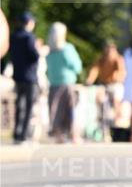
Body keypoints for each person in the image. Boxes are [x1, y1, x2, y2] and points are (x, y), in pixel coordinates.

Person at [45, 22, 82, 142]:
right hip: (67, 84)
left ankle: (58, 134)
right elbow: (77, 66)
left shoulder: (49, 50)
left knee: (56, 111)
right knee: (70, 110)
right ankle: (73, 135)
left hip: (53, 84)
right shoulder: (67, 48)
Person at [9, 11, 40, 144]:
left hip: (18, 76)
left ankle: (17, 133)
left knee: (19, 106)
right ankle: (24, 135)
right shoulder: (29, 37)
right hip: (30, 77)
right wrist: (41, 51)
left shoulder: (14, 36)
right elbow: (34, 55)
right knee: (28, 107)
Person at [86, 40, 126, 139]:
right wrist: (90, 80)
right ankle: (102, 124)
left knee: (116, 97)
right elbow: (95, 70)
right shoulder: (102, 59)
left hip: (115, 84)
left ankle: (118, 119)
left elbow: (121, 72)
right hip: (104, 84)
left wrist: (116, 76)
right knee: (100, 99)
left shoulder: (118, 59)